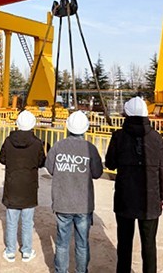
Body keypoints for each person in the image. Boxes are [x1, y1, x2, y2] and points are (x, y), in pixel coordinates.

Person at [105, 97, 163, 273]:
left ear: (127, 114)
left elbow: (110, 164)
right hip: (150, 197)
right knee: (149, 244)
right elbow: (162, 168)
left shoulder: (118, 136)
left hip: (125, 197)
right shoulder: (156, 137)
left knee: (124, 243)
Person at [45, 111, 104, 273]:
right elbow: (97, 173)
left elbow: (50, 168)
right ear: (85, 128)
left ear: (68, 127)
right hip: (83, 204)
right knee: (82, 243)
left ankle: (60, 270)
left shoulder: (58, 146)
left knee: (62, 243)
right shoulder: (90, 148)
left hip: (62, 202)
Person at [0, 110, 46, 263]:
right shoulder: (37, 143)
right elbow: (41, 162)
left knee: (11, 221)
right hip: (29, 188)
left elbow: (2, 159)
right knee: (27, 222)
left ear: (17, 123)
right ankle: (26, 251)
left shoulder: (8, 141)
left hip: (12, 186)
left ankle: (10, 252)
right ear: (33, 124)